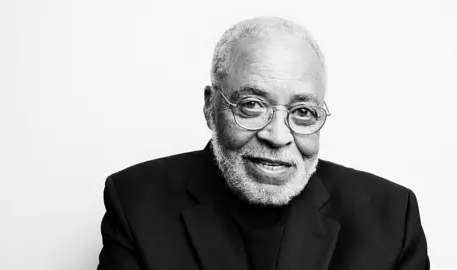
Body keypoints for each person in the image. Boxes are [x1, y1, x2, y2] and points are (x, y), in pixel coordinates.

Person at [96, 17, 430, 270]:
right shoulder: (136, 203)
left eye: (302, 112)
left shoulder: (391, 217)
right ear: (211, 108)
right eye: (252, 105)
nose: (278, 136)